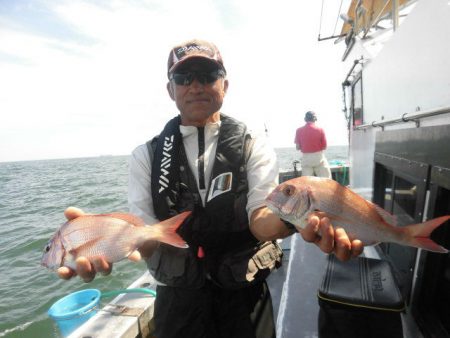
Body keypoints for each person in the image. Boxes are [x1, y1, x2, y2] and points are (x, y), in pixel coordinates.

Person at [58, 39, 363, 338]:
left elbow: (260, 219)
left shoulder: (252, 144)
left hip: (244, 290)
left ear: (224, 85)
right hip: (177, 296)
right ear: (170, 89)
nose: (195, 85)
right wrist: (102, 241)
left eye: (207, 75)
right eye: (183, 77)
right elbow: (148, 234)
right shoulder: (145, 155)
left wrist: (294, 218)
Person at [294, 111, 332, 178]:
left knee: (306, 182)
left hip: (306, 159)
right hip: (319, 158)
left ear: (305, 119)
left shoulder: (298, 130)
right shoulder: (320, 130)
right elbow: (324, 147)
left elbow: (297, 147)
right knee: (326, 179)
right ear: (315, 119)